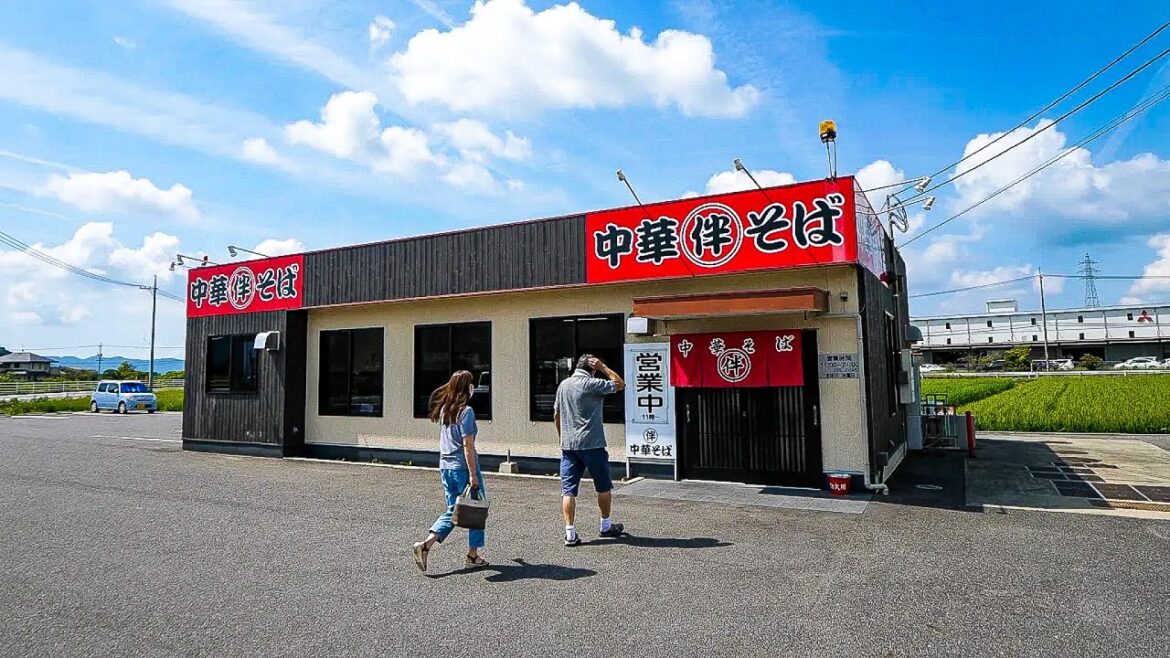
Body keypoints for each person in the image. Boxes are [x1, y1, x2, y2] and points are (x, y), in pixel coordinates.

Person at [412, 370, 488, 572]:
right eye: (470, 384)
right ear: (465, 388)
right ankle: (472, 555)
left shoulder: (445, 409)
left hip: (445, 467)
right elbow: (467, 445)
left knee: (454, 510)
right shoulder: (466, 412)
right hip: (462, 467)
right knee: (476, 509)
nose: (473, 388)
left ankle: (426, 544)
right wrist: (473, 475)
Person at [553, 354, 626, 546]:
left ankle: (570, 533)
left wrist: (562, 437)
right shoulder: (592, 384)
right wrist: (603, 367)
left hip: (569, 446)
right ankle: (605, 525)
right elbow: (620, 384)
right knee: (603, 486)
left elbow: (556, 414)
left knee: (568, 490)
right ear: (592, 369)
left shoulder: (563, 385)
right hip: (593, 444)